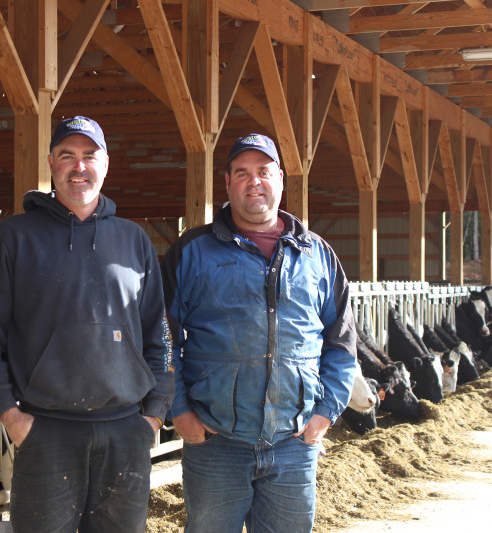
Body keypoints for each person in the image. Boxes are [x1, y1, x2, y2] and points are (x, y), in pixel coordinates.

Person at [0, 116, 174, 533]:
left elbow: (159, 333)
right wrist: (11, 417)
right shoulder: (14, 237)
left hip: (125, 431)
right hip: (46, 431)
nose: (79, 167)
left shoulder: (134, 240)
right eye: (67, 156)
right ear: (51, 164)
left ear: (106, 163)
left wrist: (153, 415)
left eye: (89, 156)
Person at [160, 133, 358, 533]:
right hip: (216, 443)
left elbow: (342, 341)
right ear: (228, 182)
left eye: (264, 172)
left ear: (280, 179)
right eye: (243, 173)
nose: (255, 182)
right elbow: (163, 338)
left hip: (293, 443)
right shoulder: (192, 250)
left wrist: (326, 414)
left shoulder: (317, 254)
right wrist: (179, 411)